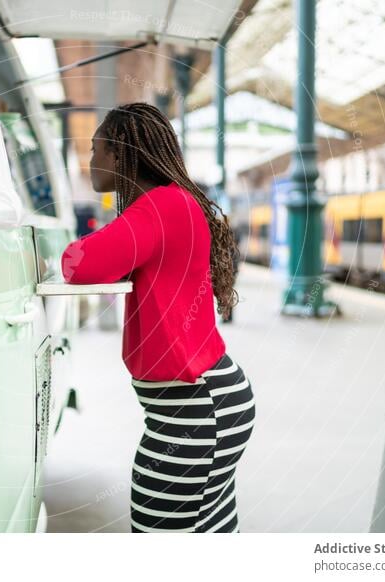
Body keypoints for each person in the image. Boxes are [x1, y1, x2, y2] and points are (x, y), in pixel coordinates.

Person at [61, 102, 256, 533]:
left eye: (96, 149)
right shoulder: (173, 203)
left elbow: (80, 264)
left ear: (120, 152)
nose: (90, 161)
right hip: (203, 405)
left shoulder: (159, 207)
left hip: (194, 413)